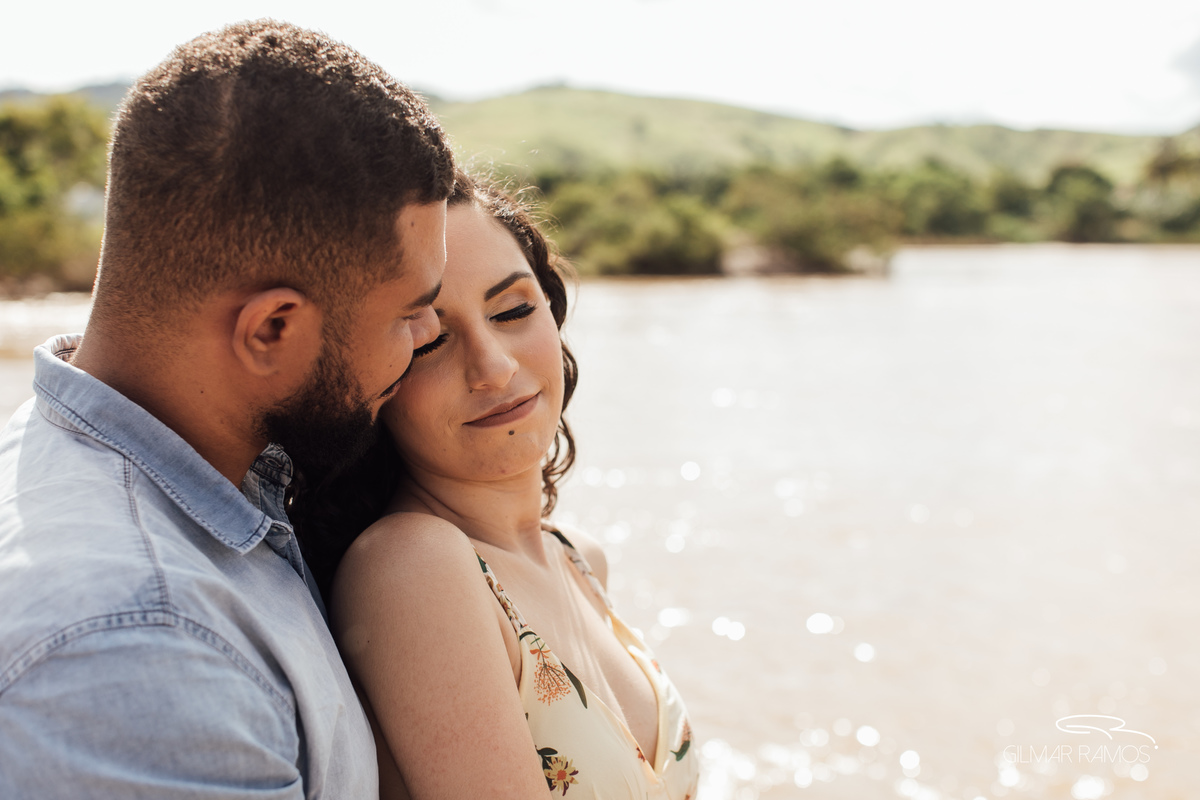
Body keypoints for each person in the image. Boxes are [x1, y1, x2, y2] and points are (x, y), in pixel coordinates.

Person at [0, 20, 454, 798]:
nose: (430, 334)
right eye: (408, 312)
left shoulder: (129, 455)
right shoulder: (142, 648)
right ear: (272, 329)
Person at [295, 172, 701, 799]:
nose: (493, 367)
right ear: (369, 377)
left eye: (513, 310)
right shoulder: (415, 564)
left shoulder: (579, 558)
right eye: (429, 341)